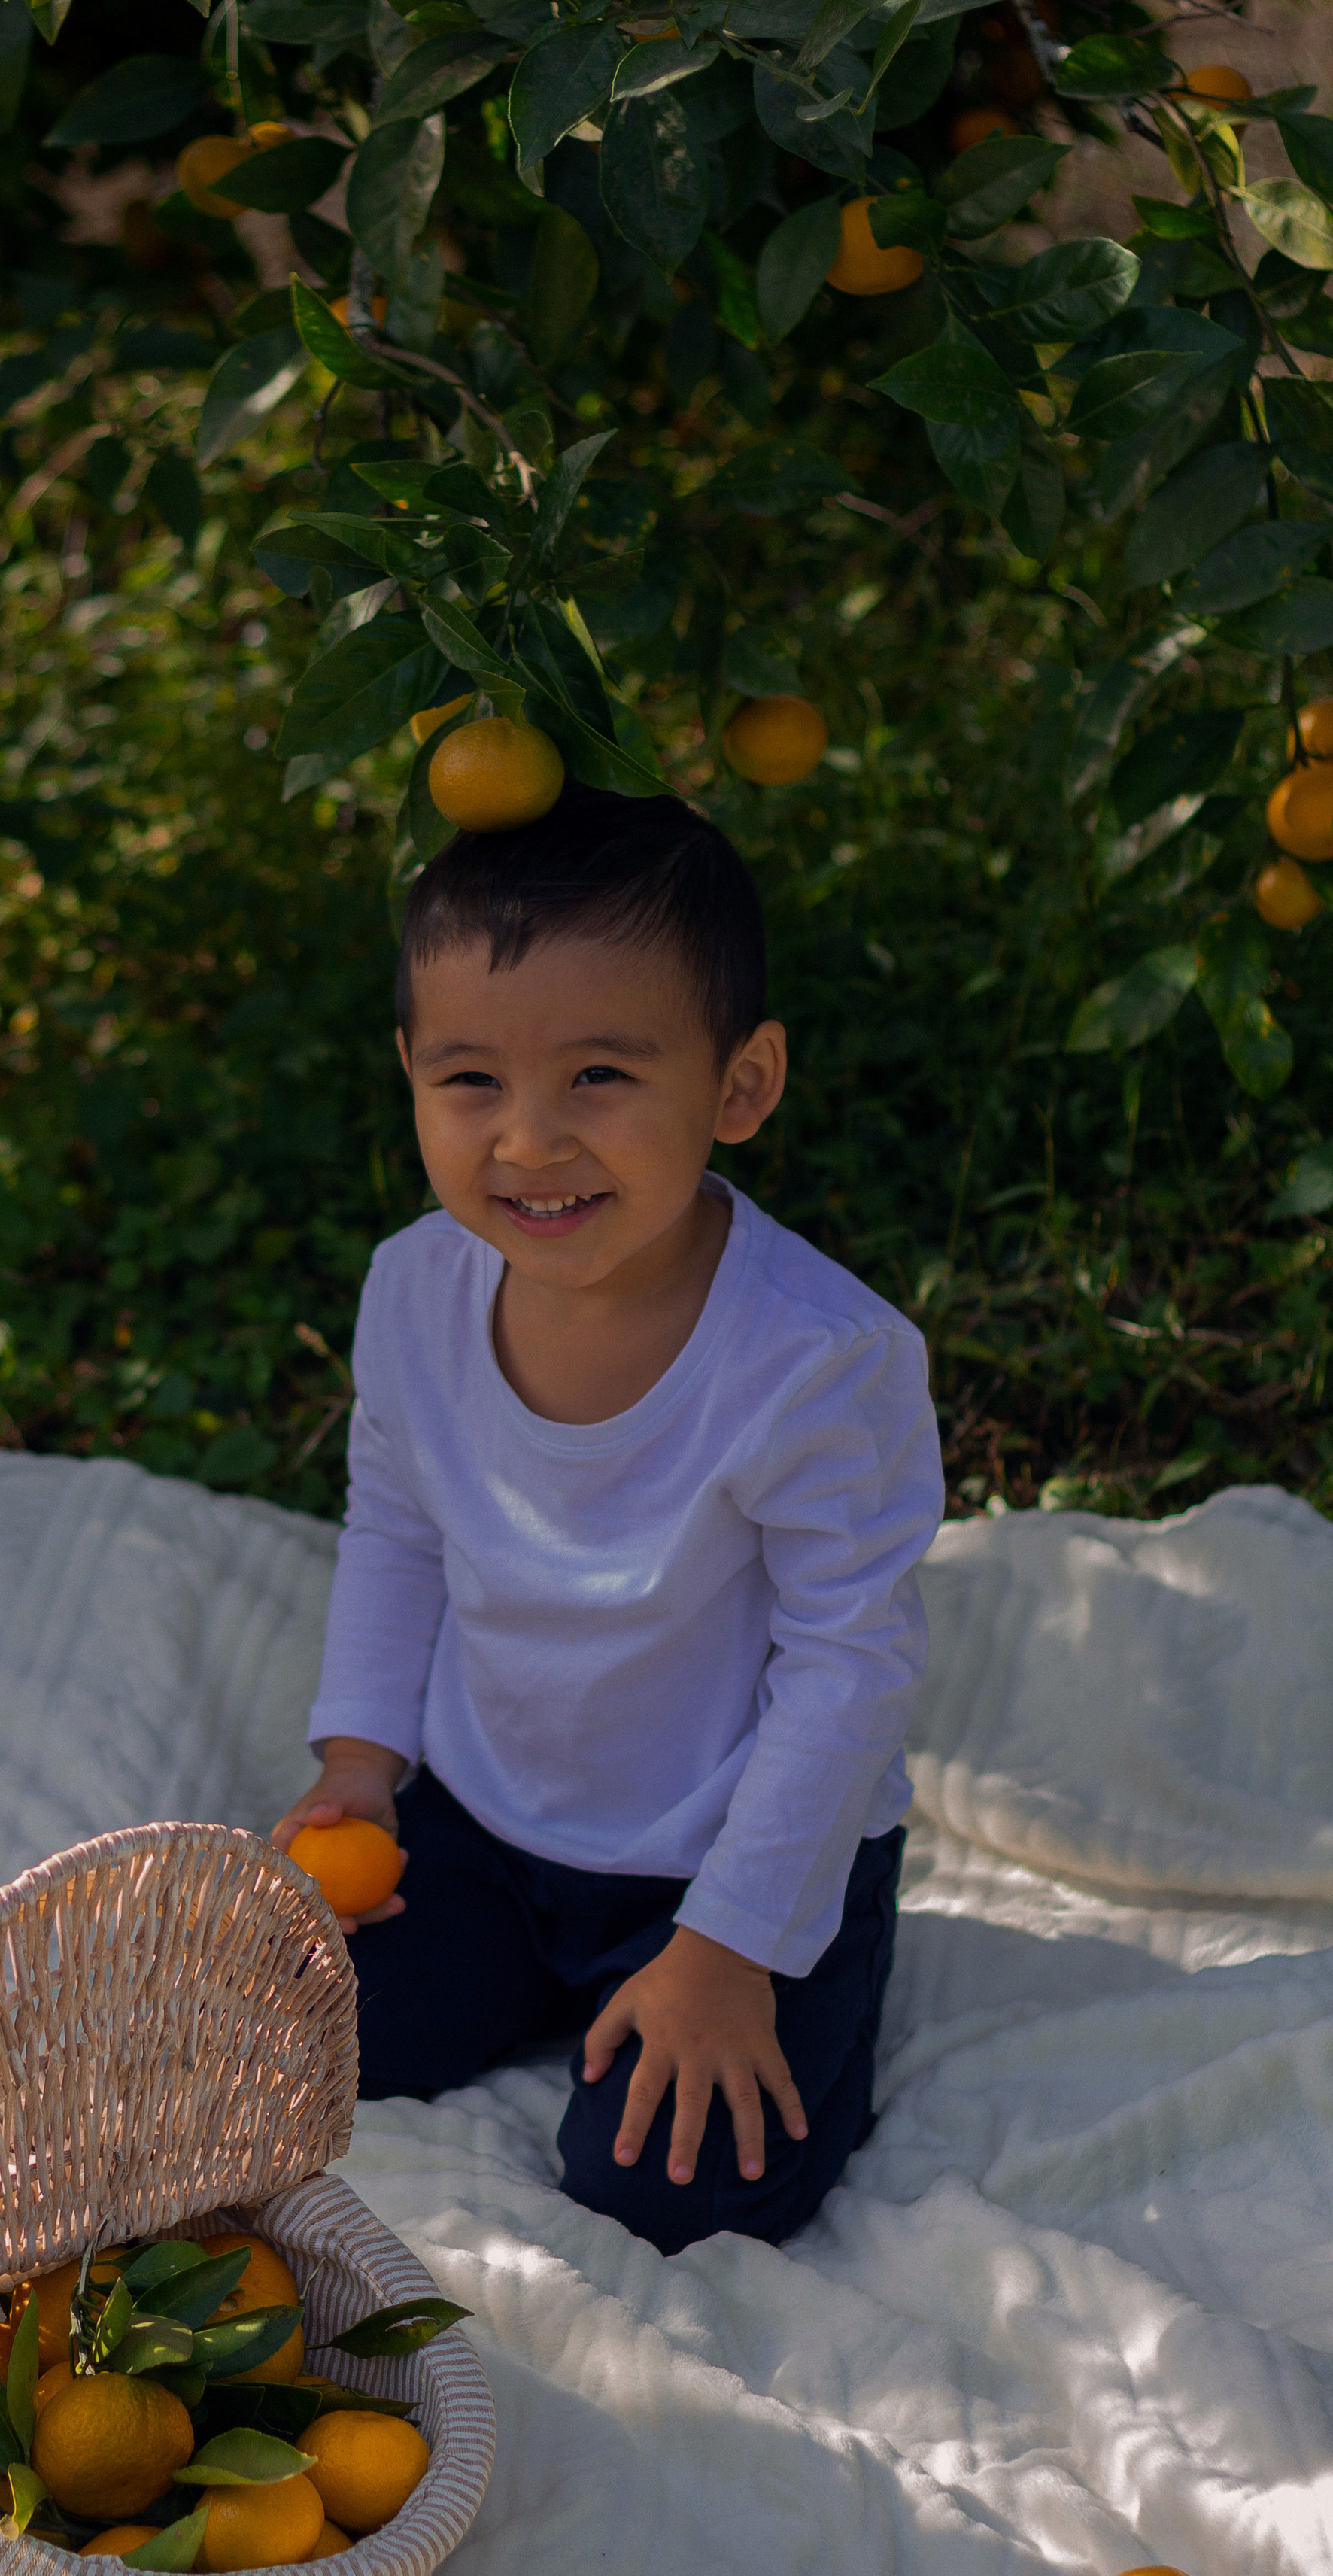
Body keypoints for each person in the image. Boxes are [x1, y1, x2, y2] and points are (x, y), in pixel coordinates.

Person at [269, 779, 946, 2256]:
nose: (527, 1142)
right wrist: (361, 1767)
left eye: (597, 1077)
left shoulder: (816, 1362)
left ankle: (778, 1980)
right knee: (307, 2034)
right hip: (494, 1818)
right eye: (468, 1083)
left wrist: (727, 1948)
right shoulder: (413, 1292)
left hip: (729, 1847)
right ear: (406, 1071)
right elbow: (396, 1521)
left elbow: (850, 1665)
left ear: (737, 1086)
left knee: (667, 2188)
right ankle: (533, 1967)